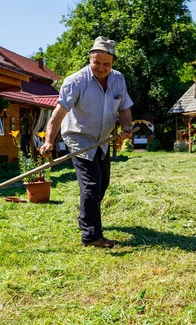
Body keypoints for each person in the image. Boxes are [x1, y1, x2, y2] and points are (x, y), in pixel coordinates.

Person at [40, 36, 133, 248]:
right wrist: (49, 141)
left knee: (103, 183)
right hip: (79, 138)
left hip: (103, 138)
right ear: (90, 58)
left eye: (106, 64)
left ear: (113, 63)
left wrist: (126, 127)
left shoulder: (118, 79)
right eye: (96, 62)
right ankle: (91, 236)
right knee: (91, 184)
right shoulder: (76, 81)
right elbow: (58, 113)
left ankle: (85, 219)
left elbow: (125, 107)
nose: (101, 68)